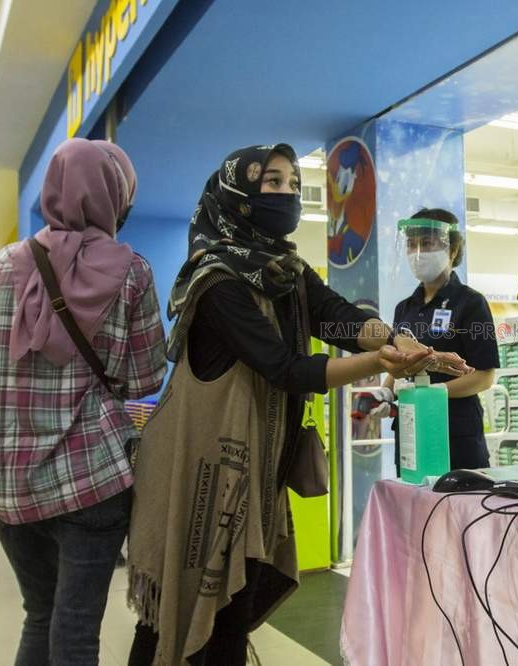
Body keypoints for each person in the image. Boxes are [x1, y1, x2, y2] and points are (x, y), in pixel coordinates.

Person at [126, 144, 471, 665]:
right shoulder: (217, 280)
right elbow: (284, 367)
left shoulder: (285, 269)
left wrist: (402, 345)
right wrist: (383, 361)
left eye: (293, 183)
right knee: (181, 618)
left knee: (229, 623)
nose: (288, 193)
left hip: (254, 476)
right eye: (273, 182)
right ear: (238, 195)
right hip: (203, 479)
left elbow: (337, 317)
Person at [0, 138, 167, 665]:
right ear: (115, 198)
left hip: (9, 483)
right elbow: (146, 376)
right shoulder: (132, 273)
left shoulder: (2, 269)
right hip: (91, 480)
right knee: (76, 629)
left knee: (39, 612)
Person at [374, 208, 500, 470]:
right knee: (413, 502)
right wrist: (386, 392)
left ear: (452, 250)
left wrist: (433, 394)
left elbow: (485, 376)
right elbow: (399, 362)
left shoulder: (471, 303)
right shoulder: (404, 308)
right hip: (411, 429)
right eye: (411, 244)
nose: (418, 252)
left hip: (455, 431)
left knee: (460, 507)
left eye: (427, 243)